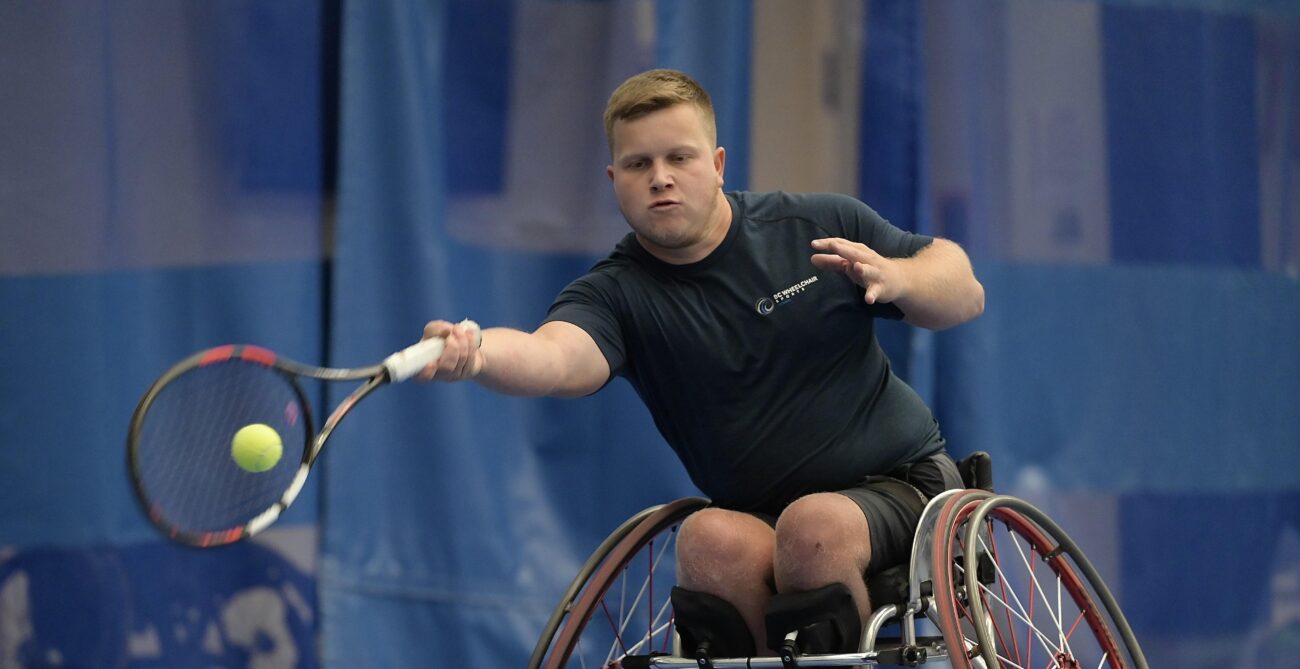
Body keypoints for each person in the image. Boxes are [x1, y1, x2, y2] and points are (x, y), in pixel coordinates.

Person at [419, 68, 984, 652]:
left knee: (815, 528)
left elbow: (965, 292)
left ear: (716, 165)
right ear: (615, 180)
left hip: (903, 487)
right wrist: (478, 352)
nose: (660, 179)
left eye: (679, 159)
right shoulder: (615, 294)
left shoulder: (816, 228)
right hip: (758, 513)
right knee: (708, 540)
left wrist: (900, 276)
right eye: (638, 165)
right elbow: (553, 356)